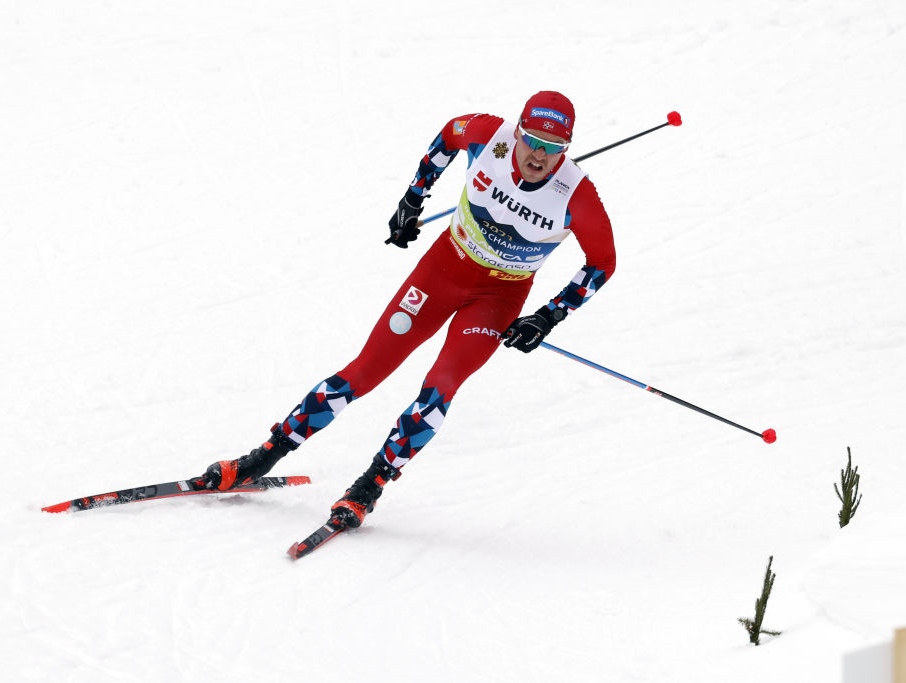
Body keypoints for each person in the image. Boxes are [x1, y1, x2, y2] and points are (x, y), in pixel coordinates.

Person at [195, 91, 616, 528]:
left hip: (497, 300)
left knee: (440, 386)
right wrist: (412, 200)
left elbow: (603, 263)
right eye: (532, 140)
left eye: (555, 147)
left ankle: (369, 486)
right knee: (365, 370)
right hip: (440, 272)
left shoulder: (578, 195)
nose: (541, 155)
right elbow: (447, 138)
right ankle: (262, 458)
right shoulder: (488, 135)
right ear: (518, 131)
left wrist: (549, 315)